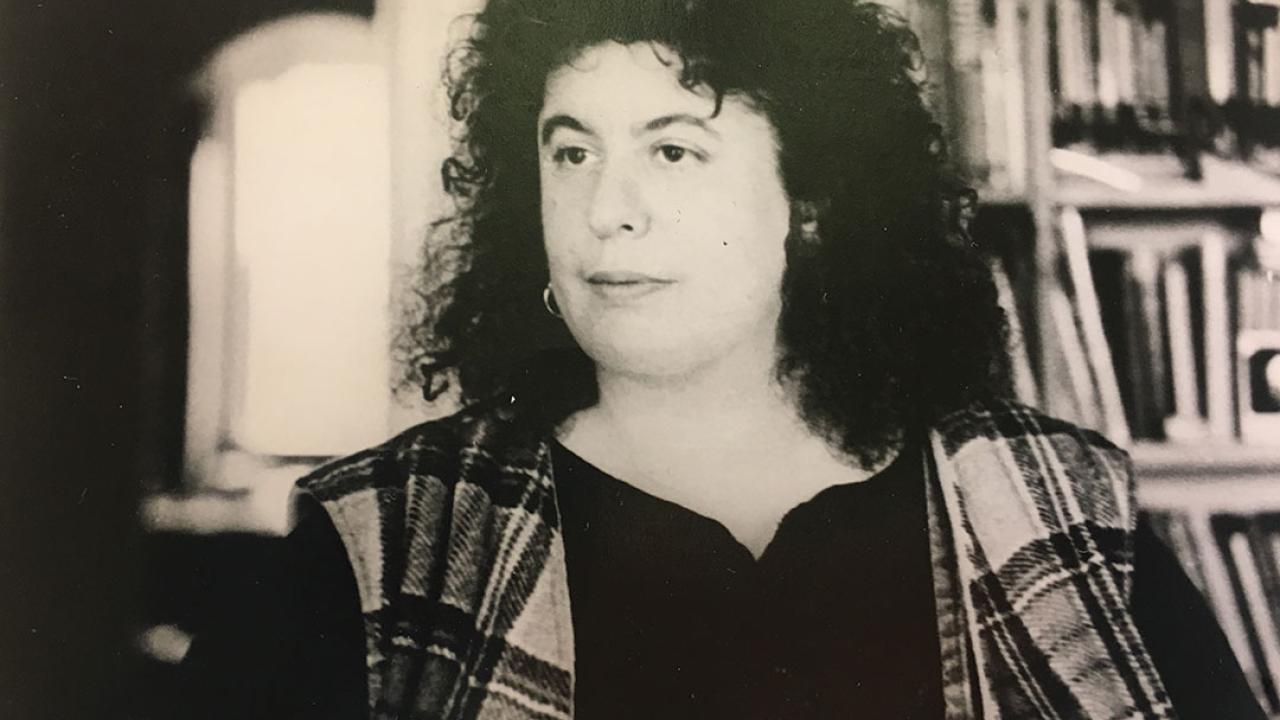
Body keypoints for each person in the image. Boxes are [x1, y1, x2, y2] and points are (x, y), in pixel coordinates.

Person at [178, 0, 1266, 717]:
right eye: (570, 152)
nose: (607, 211)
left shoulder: (1062, 512)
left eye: (673, 149)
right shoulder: (380, 543)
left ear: (814, 201)